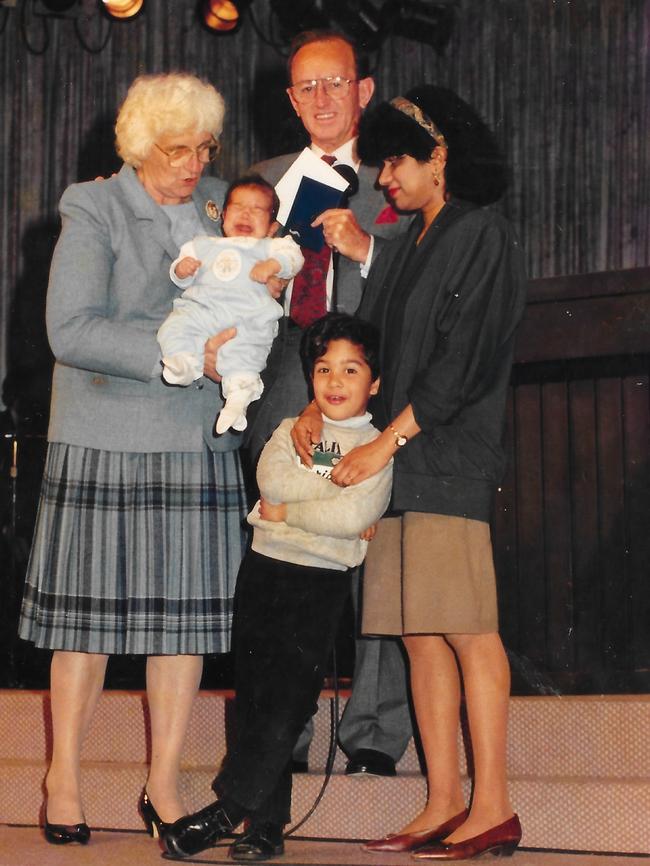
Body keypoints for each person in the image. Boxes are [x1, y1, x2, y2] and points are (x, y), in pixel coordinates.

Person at [17, 72, 277, 846]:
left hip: (194, 440)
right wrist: (186, 356)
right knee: (86, 624)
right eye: (175, 150)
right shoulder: (94, 206)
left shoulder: (226, 204)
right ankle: (63, 776)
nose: (194, 164)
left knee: (183, 627)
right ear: (137, 147)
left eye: (204, 147)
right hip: (104, 434)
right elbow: (71, 331)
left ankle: (162, 782)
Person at [292, 86, 527, 859]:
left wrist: (381, 445)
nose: (384, 177)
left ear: (441, 157)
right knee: (422, 635)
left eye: (395, 161)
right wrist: (320, 410)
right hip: (399, 459)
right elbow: (375, 353)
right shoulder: (412, 240)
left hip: (444, 459)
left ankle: (492, 804)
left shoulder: (479, 233)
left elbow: (457, 368)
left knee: (466, 630)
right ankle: (444, 801)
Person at [163, 313, 394, 861]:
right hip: (265, 567)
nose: (334, 381)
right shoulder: (292, 428)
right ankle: (265, 827)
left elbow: (352, 514)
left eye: (350, 369)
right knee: (257, 700)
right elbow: (271, 480)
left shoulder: (375, 448)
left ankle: (225, 810)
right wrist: (323, 495)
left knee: (289, 701)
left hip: (321, 580)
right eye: (323, 369)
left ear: (375, 382)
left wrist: (290, 509)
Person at [247, 28, 413, 780]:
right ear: (291, 98)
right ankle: (284, 729)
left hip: (374, 394)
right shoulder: (255, 183)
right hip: (285, 389)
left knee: (374, 558)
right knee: (290, 562)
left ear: (364, 91)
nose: (321, 99)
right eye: (306, 86)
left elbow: (420, 290)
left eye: (335, 83)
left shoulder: (398, 183)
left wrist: (367, 253)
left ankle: (374, 731)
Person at [158, 175, 303, 434]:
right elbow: (181, 274)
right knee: (176, 326)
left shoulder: (271, 247)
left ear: (271, 227)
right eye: (238, 207)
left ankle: (239, 399)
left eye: (257, 210)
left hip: (248, 317)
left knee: (246, 352)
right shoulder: (204, 244)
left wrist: (274, 265)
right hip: (203, 311)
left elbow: (293, 256)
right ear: (223, 216)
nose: (246, 215)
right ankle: (183, 362)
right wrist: (182, 269)